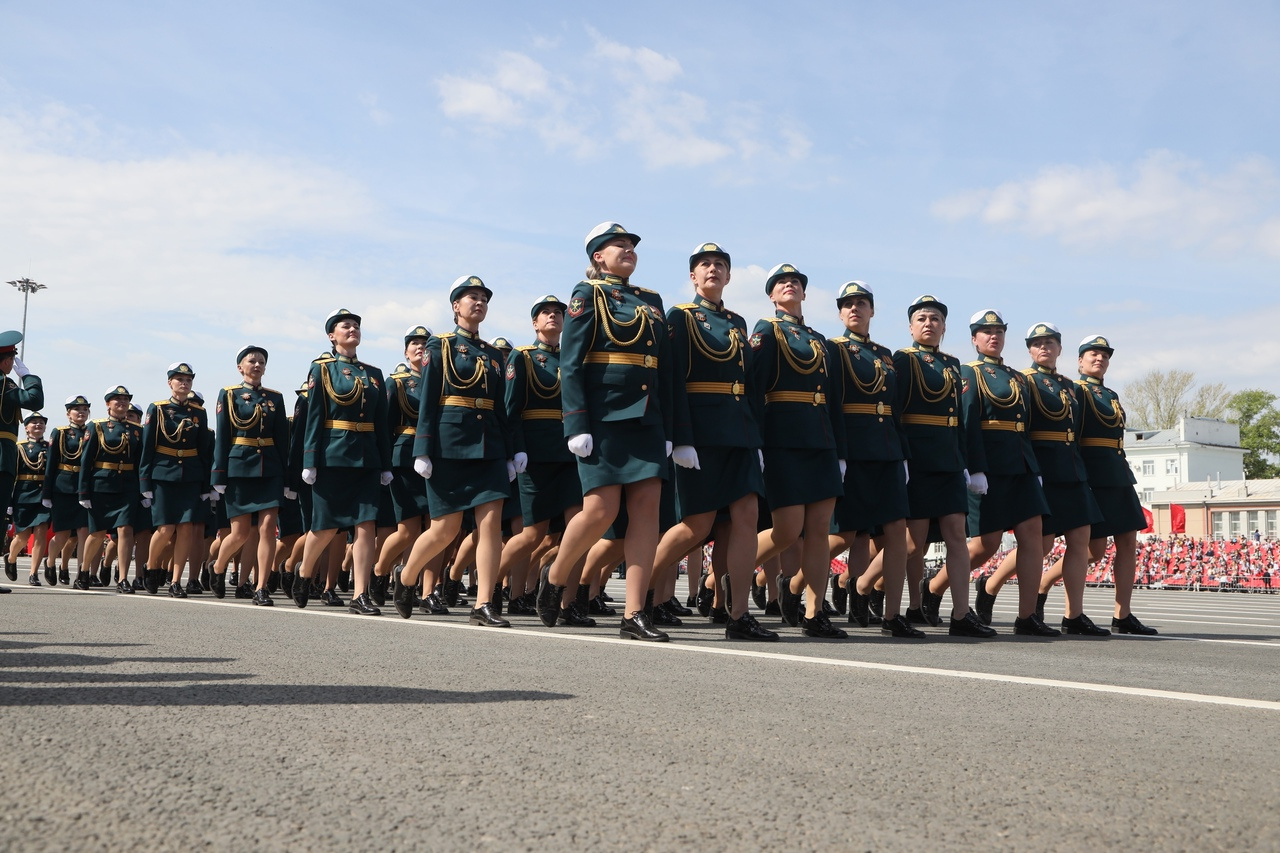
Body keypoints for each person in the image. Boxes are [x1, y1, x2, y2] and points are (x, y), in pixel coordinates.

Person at [534, 222, 674, 641]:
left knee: (648, 509)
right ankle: (555, 574)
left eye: (632, 245)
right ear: (598, 256)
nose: (628, 250)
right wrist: (576, 422)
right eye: (619, 245)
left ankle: (634, 613)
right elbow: (571, 363)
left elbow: (663, 367)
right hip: (604, 417)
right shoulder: (587, 295)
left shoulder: (651, 299)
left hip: (647, 417)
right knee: (601, 510)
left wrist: (670, 427)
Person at [651, 242, 775, 641]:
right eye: (704, 265)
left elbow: (751, 386)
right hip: (700, 433)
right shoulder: (680, 317)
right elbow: (671, 380)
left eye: (720, 265)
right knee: (696, 526)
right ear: (692, 276)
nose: (713, 270)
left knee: (746, 518)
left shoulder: (739, 323)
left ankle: (739, 615)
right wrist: (680, 437)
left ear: (729, 275)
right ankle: (641, 594)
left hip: (738, 432)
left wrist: (755, 439)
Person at [392, 277, 515, 627]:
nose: (478, 302)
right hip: (449, 444)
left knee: (490, 526)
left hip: (489, 444)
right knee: (445, 529)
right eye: (470, 297)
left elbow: (500, 408)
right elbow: (429, 398)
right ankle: (406, 575)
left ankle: (484, 602)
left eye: (483, 298)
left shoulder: (493, 354)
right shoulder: (439, 345)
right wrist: (423, 449)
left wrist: (509, 452)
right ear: (455, 307)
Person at [975, 322, 1110, 635]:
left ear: (1060, 348)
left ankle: (1074, 615)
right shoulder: (1024, 381)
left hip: (1071, 467)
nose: (1045, 347)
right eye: (1038, 343)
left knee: (1081, 540)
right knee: (1042, 542)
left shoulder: (1071, 386)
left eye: (1050, 342)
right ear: (1030, 349)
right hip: (1041, 468)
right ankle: (991, 584)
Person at [749, 263, 848, 639]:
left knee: (820, 531)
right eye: (781, 283)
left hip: (820, 439)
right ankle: (728, 577)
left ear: (805, 294)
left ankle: (814, 612)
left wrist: (839, 450)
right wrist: (758, 442)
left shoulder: (820, 340)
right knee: (788, 530)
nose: (789, 285)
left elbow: (833, 399)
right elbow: (755, 389)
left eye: (796, 283)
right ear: (772, 296)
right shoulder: (767, 331)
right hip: (783, 438)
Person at [825, 281, 923, 638]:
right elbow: (832, 403)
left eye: (861, 303)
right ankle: (793, 587)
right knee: (844, 536)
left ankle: (892, 615)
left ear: (872, 310)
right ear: (839, 312)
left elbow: (895, 408)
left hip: (888, 451)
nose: (855, 309)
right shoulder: (832, 350)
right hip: (853, 450)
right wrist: (838, 453)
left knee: (898, 533)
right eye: (848, 304)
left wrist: (904, 454)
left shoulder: (885, 355)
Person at [950, 309, 1056, 636]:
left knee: (1033, 536)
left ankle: (1027, 617)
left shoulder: (1016, 377)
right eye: (985, 331)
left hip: (1021, 465)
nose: (993, 336)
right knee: (987, 544)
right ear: (974, 339)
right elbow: (968, 423)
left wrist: (1033, 468)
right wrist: (976, 469)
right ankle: (934, 588)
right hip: (990, 466)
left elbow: (1024, 426)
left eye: (998, 331)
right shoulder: (969, 372)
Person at [894, 296, 994, 637]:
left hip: (950, 460)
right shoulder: (903, 360)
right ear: (910, 327)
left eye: (935, 319)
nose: (928, 324)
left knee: (956, 535)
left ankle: (961, 614)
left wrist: (970, 465)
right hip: (919, 459)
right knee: (913, 543)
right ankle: (904, 603)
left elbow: (961, 420)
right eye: (921, 318)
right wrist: (902, 458)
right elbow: (896, 413)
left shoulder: (953, 365)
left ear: (944, 327)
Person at [292, 309, 392, 615]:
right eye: (345, 326)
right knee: (325, 527)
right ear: (332, 336)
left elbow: (381, 422)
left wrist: (385, 463)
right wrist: (310, 459)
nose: (352, 329)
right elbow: (314, 417)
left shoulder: (373, 374)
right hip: (332, 455)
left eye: (355, 326)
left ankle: (359, 594)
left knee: (366, 526)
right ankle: (304, 573)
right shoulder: (321, 370)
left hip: (366, 458)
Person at [499, 295, 590, 623]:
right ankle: (493, 586)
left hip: (571, 452)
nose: (553, 316)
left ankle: (568, 604)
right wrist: (517, 448)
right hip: (535, 454)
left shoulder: (574, 357)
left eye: (558, 313)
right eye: (545, 313)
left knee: (577, 529)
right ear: (535, 323)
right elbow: (512, 410)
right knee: (532, 534)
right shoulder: (522, 357)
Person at [1075, 335, 1157, 635]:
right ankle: (1043, 584)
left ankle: (1122, 614)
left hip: (1117, 472)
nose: (1099, 359)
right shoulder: (1075, 392)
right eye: (1093, 355)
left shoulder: (1110, 395)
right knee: (1093, 550)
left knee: (1128, 542)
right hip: (1093, 474)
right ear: (1080, 361)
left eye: (1105, 356)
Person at [210, 345, 291, 605]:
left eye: (261, 362)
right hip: (240, 468)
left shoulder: (275, 398)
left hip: (270, 469)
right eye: (251, 361)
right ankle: (218, 567)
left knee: (268, 528)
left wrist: (287, 477)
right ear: (240, 367)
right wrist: (218, 475)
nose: (257, 365)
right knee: (240, 533)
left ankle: (261, 586)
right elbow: (223, 436)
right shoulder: (229, 394)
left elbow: (282, 439)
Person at [141, 363, 214, 597]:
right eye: (179, 379)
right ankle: (151, 567)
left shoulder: (198, 412)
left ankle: (176, 581)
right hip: (163, 475)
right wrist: (145, 483)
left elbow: (203, 450)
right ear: (169, 382)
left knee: (186, 529)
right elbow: (147, 448)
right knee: (165, 529)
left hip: (190, 476)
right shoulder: (158, 409)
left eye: (188, 379)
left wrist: (205, 485)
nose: (184, 383)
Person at [372, 326, 433, 606]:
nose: (420, 347)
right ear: (406, 352)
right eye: (414, 344)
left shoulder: (442, 380)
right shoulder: (396, 382)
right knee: (408, 530)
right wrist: (384, 465)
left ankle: (427, 591)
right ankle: (380, 570)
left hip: (437, 457)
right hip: (406, 457)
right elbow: (384, 428)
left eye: (425, 343)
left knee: (437, 529)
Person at [78, 386, 144, 593]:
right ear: (108, 404)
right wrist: (83, 492)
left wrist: (144, 490)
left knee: (126, 530)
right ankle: (84, 571)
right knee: (97, 533)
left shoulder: (136, 430)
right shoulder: (96, 426)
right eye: (117, 400)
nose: (122, 403)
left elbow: (140, 462)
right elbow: (86, 460)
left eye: (125, 400)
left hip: (128, 486)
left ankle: (123, 578)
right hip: (102, 485)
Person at [0, 330, 44, 594]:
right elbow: (35, 400)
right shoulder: (5, 384)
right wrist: (27, 375)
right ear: (6, 361)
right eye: (11, 358)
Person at [42, 395, 92, 586]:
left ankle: (82, 572)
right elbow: (51, 464)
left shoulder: (92, 431)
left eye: (85, 409)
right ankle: (50, 562)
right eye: (76, 409)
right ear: (68, 413)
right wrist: (47, 493)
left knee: (83, 532)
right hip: (62, 487)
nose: (81, 412)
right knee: (62, 533)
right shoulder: (60, 432)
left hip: (83, 487)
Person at [7, 413, 51, 586]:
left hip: (43, 496)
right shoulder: (19, 448)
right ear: (26, 427)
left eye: (41, 422)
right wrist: (9, 501)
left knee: (41, 534)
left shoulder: (50, 447)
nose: (38, 425)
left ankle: (34, 573)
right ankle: (10, 558)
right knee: (22, 537)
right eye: (33, 422)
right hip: (23, 495)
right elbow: (12, 476)